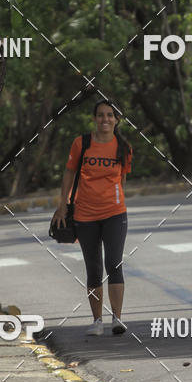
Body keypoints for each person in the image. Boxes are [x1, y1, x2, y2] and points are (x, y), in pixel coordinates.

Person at [52, 100, 132, 336]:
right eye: (100, 115)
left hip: (115, 214)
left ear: (116, 119)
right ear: (94, 118)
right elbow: (69, 172)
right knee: (94, 268)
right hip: (85, 215)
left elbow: (122, 180)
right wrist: (63, 205)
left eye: (110, 115)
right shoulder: (82, 143)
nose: (105, 119)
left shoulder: (123, 147)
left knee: (114, 264)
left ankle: (117, 318)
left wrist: (114, 199)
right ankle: (97, 321)